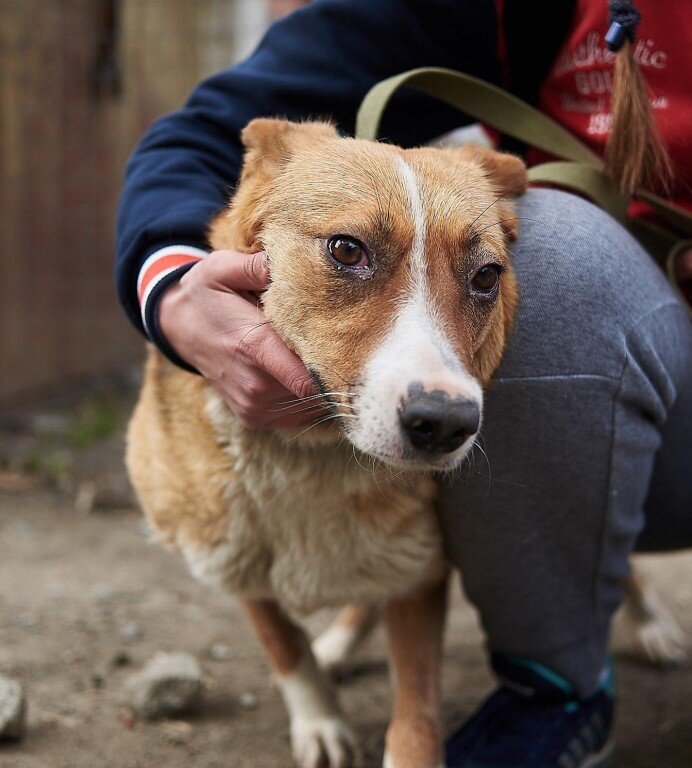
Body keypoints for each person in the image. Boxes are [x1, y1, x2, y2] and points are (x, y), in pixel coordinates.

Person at [116, 1, 692, 766]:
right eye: (349, 252)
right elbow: (213, 128)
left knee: (525, 255)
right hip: (608, 372)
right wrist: (173, 286)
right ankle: (556, 679)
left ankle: (603, 605)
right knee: (552, 256)